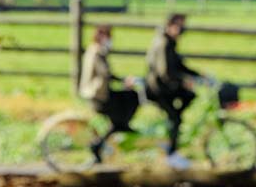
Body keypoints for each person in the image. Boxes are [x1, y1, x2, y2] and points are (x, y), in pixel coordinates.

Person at [146, 13, 202, 170]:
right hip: (159, 89)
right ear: (169, 25)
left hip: (166, 87)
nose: (182, 29)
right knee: (175, 118)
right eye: (179, 26)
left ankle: (172, 142)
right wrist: (184, 82)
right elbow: (166, 73)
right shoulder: (164, 44)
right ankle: (171, 154)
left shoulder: (170, 43)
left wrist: (197, 75)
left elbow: (179, 66)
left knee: (187, 101)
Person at [79, 24, 139, 163]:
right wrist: (123, 80)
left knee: (119, 116)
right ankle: (98, 145)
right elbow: (105, 74)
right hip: (98, 96)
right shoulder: (97, 52)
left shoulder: (94, 50)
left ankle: (99, 146)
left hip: (97, 94)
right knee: (130, 98)